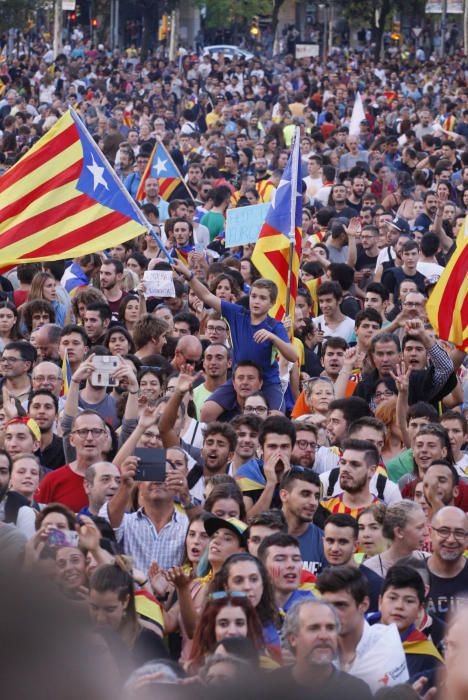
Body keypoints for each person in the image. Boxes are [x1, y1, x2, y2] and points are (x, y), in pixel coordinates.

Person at [172, 259, 297, 416]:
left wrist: (273, 338)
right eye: (254, 296)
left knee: (276, 418)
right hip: (238, 380)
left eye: (262, 298)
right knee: (206, 411)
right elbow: (206, 295)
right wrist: (188, 274)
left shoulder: (275, 326)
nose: (256, 301)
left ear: (271, 303)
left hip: (268, 383)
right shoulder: (237, 313)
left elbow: (293, 356)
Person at [316, 565, 409, 693]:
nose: (332, 613)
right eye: (327, 606)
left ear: (364, 605)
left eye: (341, 605)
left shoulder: (387, 645)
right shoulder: (315, 648)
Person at [272, 598, 373, 699]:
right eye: (314, 628)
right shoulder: (269, 688)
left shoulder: (357, 692)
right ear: (293, 638)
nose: (324, 636)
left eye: (330, 628)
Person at [378, 565, 443, 687]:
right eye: (392, 598)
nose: (399, 606)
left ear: (420, 609)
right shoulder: (357, 637)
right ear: (380, 602)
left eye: (409, 601)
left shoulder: (428, 658)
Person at [35, 410, 110, 511]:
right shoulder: (52, 480)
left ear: (106, 438)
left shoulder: (118, 479)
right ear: (71, 439)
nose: (89, 438)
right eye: (83, 432)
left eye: (96, 431)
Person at [322, 513, 383, 612]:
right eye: (330, 541)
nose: (334, 549)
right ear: (323, 541)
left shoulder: (374, 585)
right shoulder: (320, 579)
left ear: (355, 545)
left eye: (342, 542)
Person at [236, 416, 296, 517]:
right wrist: (271, 484)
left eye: (284, 447)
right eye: (272, 447)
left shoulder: (300, 476)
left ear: (292, 449)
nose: (278, 453)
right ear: (262, 448)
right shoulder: (248, 473)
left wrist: (286, 483)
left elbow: (298, 521)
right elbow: (247, 522)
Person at [279, 467, 327, 575]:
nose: (314, 502)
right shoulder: (262, 535)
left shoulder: (324, 542)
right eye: (305, 494)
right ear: (284, 495)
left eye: (316, 496)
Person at [425, 506, 468, 622]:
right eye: (443, 531)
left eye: (459, 533)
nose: (451, 539)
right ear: (430, 533)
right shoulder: (412, 574)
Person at [364, 501, 428, 578]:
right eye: (419, 528)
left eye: (425, 526)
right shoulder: (370, 569)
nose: (426, 533)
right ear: (399, 532)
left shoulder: (429, 562)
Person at [258, 532, 314, 614]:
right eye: (280, 559)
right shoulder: (250, 606)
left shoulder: (314, 605)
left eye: (296, 559)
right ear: (262, 568)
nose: (291, 565)